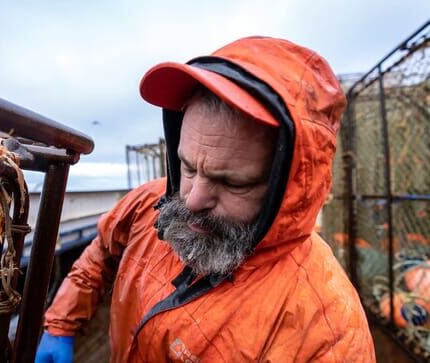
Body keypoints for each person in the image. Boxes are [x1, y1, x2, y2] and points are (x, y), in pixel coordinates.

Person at [35, 36, 376, 362]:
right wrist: (62, 321)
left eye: (231, 182)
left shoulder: (326, 335)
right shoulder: (149, 201)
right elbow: (101, 253)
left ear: (290, 191)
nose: (194, 200)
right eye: (187, 166)